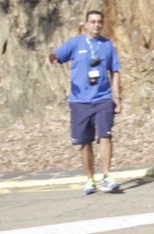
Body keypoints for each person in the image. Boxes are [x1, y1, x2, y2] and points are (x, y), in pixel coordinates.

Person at [48, 10, 124, 194]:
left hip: (103, 98)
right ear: (86, 24)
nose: (96, 25)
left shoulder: (107, 45)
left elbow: (115, 72)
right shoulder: (75, 43)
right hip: (80, 101)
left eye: (99, 22)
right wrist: (52, 57)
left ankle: (106, 176)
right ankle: (90, 179)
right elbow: (57, 54)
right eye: (93, 22)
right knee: (85, 142)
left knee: (105, 136)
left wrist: (117, 98)